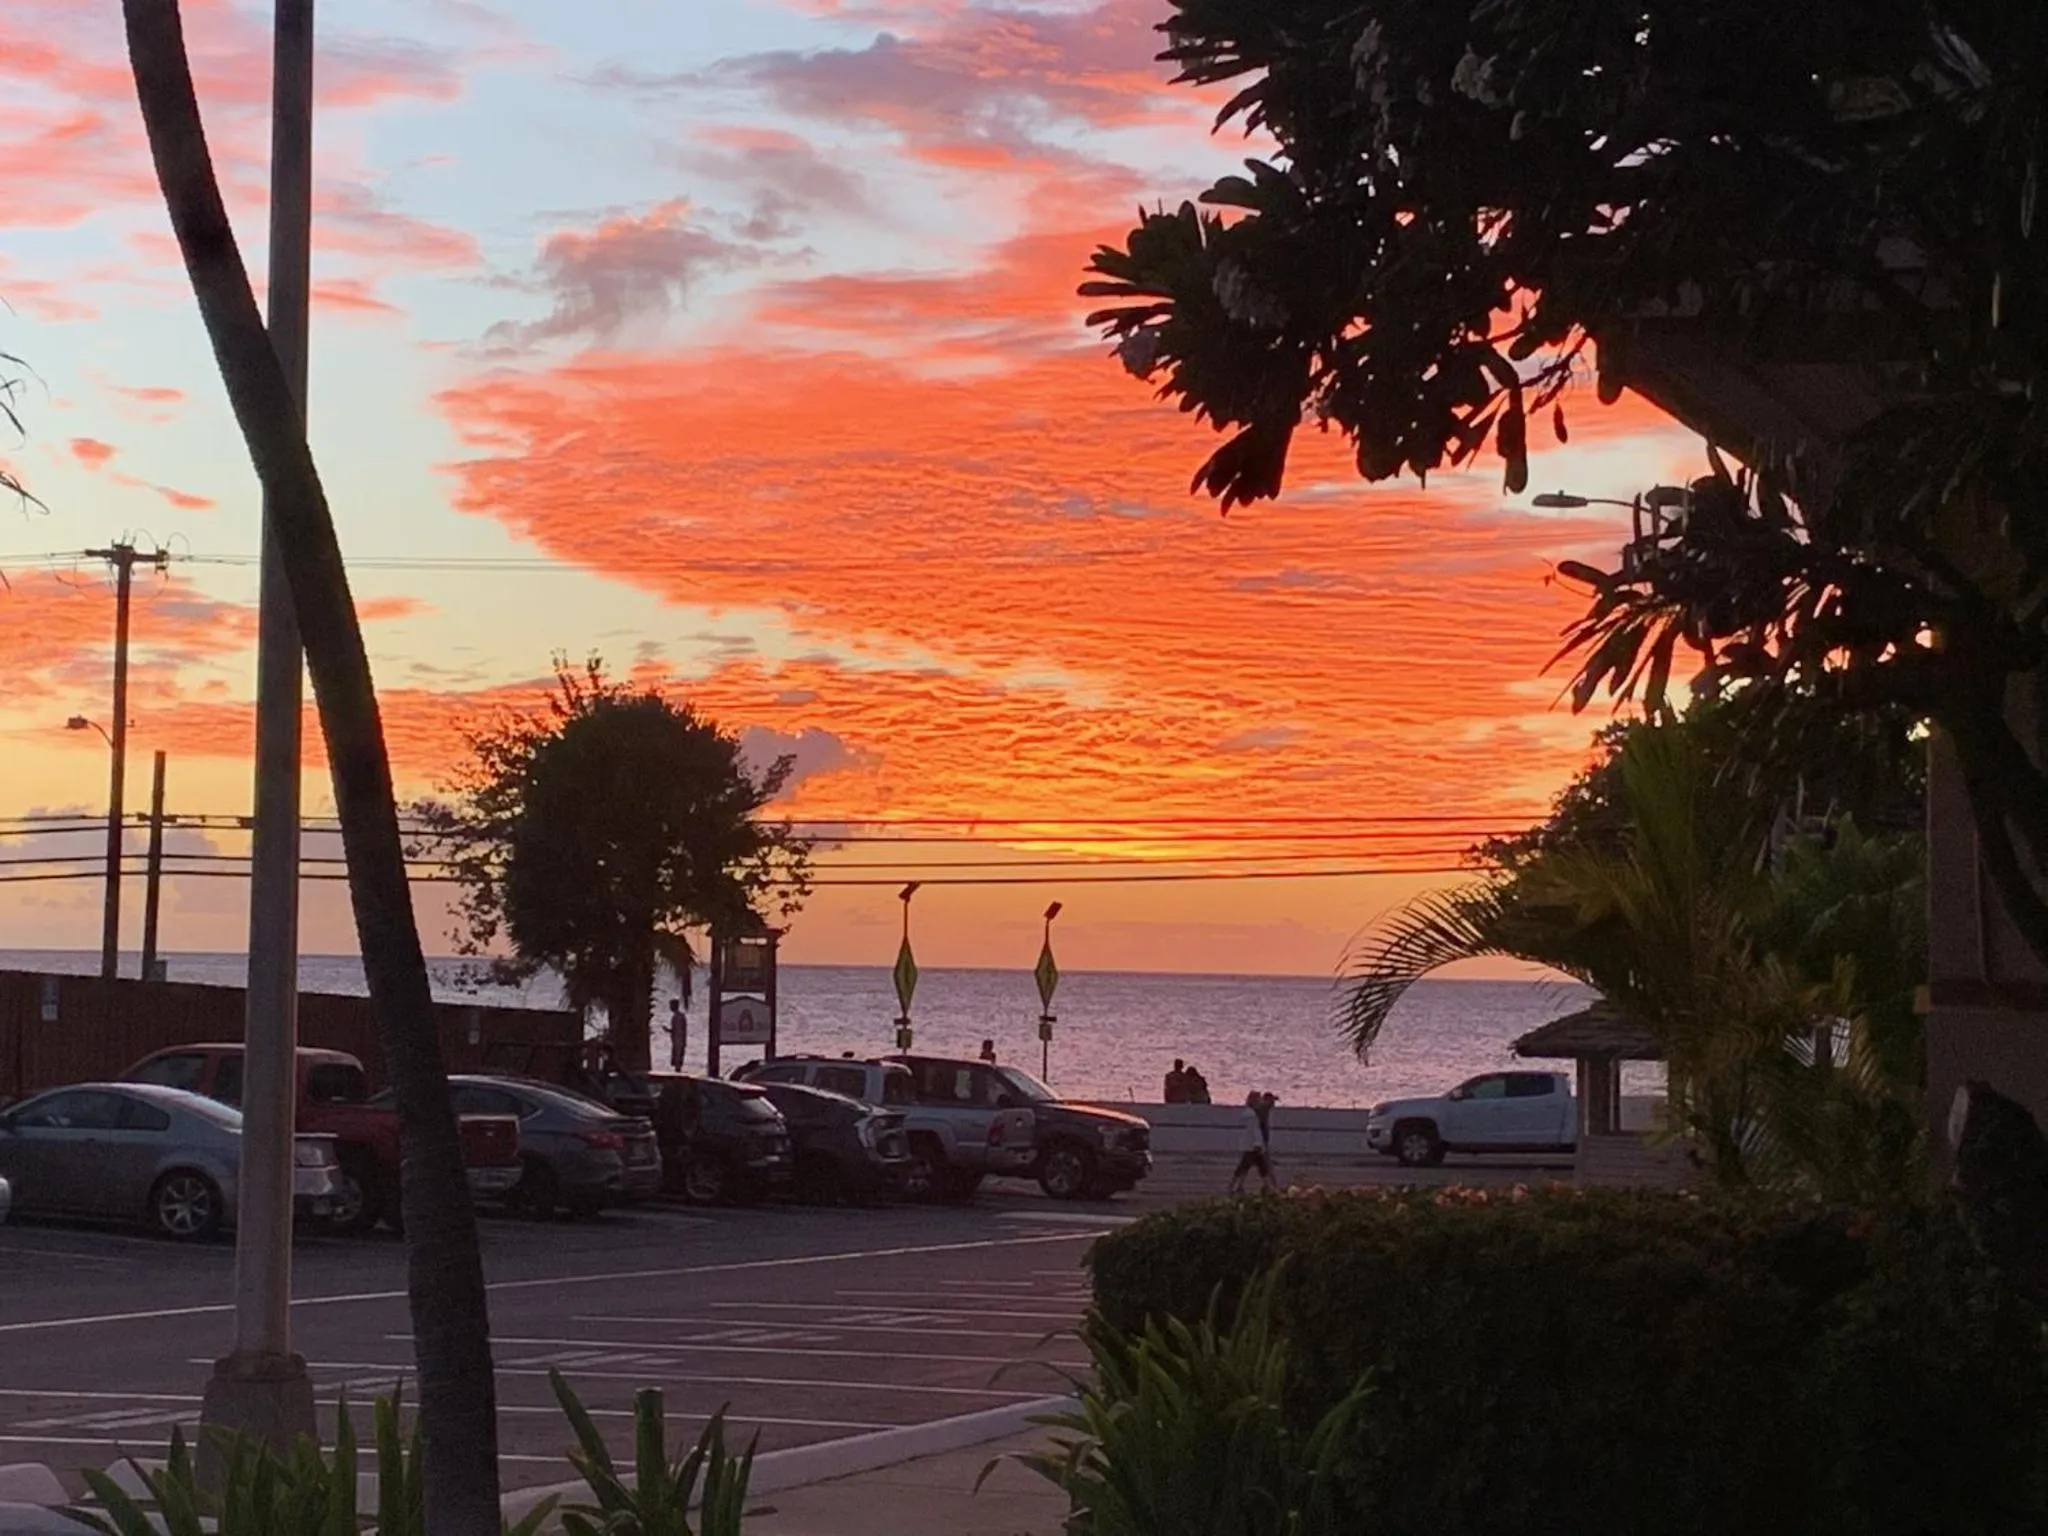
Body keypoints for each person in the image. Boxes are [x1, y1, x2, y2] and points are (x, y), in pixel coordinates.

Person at [1229, 1089, 1278, 1195]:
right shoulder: (1253, 1115)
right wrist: (1258, 1144)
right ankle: (1236, 1186)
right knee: (1250, 1166)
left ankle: (1239, 1186)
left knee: (1257, 1166)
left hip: (1254, 1145)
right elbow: (1254, 1131)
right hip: (1254, 1146)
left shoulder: (1252, 1113)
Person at [666, 998, 688, 1072]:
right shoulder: (680, 1016)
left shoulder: (677, 1017)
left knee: (677, 1057)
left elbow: (677, 1030)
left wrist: (669, 1030)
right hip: (679, 1039)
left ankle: (677, 1071)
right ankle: (678, 1070)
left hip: (678, 1039)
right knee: (678, 1057)